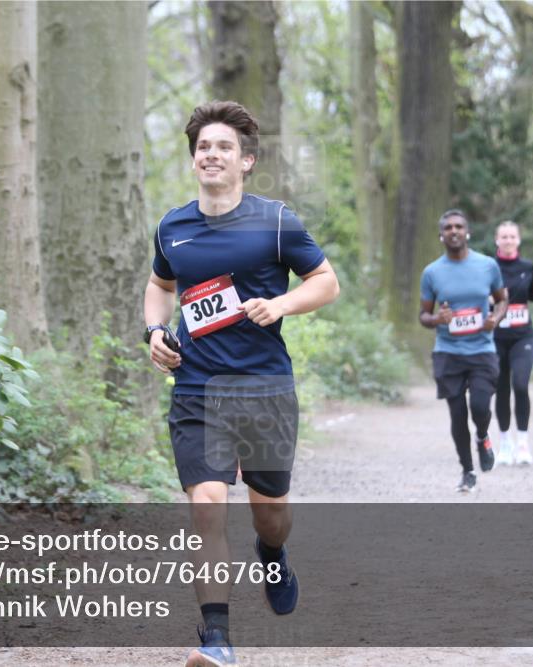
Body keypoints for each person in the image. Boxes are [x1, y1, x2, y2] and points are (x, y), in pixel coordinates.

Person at [143, 100, 339, 667]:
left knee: (269, 509)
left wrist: (281, 303)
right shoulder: (172, 226)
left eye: (224, 146)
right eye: (204, 146)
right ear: (193, 159)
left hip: (264, 389)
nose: (212, 154)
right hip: (197, 388)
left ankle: (272, 553)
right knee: (206, 508)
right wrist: (155, 330)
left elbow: (326, 282)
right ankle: (217, 640)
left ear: (246, 160)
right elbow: (158, 286)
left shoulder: (276, 221)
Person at [419, 210, 508, 493]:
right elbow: (423, 315)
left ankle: (483, 437)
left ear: (467, 232)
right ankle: (468, 471)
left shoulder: (487, 266)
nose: (454, 231)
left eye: (459, 227)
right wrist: (437, 320)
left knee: (480, 407)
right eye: (448, 227)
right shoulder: (432, 272)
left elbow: (502, 299)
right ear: (441, 235)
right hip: (448, 352)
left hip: (482, 350)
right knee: (457, 415)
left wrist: (496, 317)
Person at [492, 221, 533, 466]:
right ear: (497, 241)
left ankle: (523, 443)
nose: (508, 240)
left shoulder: (527, 266)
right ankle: (505, 443)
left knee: (521, 384)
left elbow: (531, 294)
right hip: (496, 337)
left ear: (519, 240)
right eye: (504, 236)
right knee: (501, 388)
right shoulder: (488, 268)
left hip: (522, 335)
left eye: (512, 236)